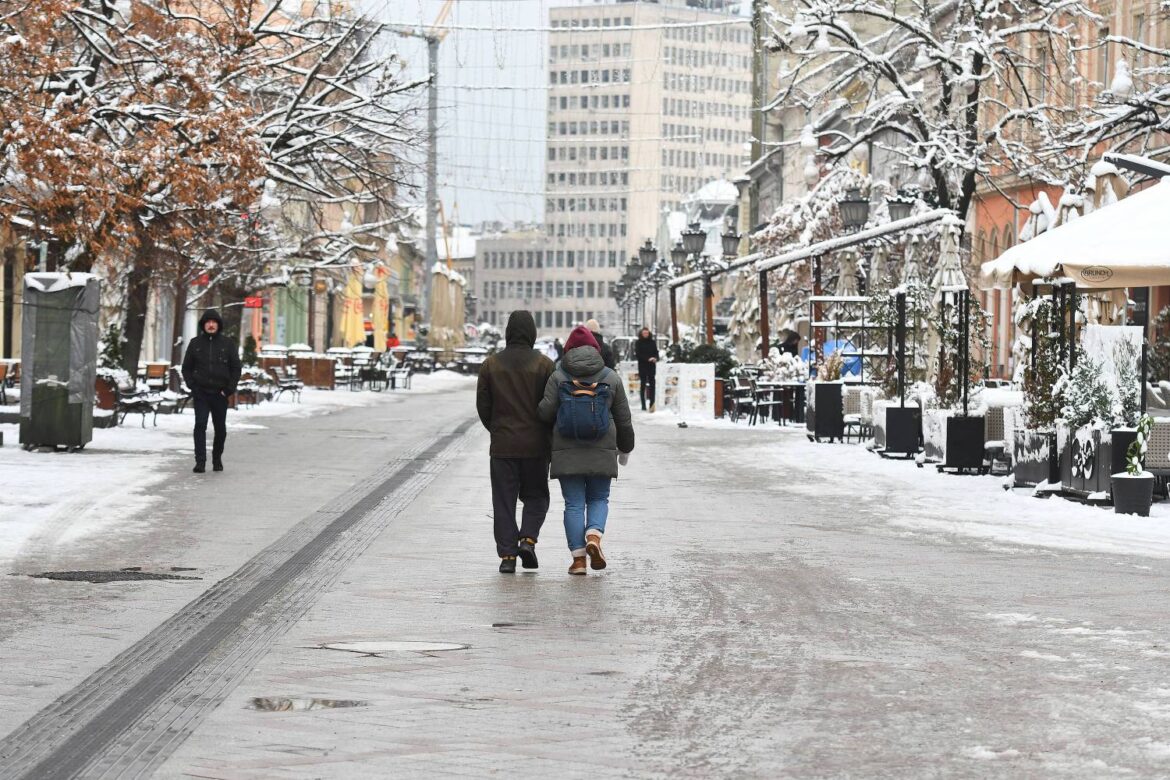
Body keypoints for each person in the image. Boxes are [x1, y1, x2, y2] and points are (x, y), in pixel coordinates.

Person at [539, 325, 634, 575]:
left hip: (566, 451)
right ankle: (594, 536)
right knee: (599, 498)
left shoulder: (558, 376)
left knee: (573, 505)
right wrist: (626, 446)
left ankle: (578, 560)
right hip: (602, 450)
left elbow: (545, 414)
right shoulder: (610, 377)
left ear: (568, 350)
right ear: (597, 349)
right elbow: (624, 418)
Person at [476, 310, 556, 574]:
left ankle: (508, 556)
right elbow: (551, 405)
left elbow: (483, 407)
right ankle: (528, 540)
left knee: (503, 501)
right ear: (532, 333)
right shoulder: (544, 365)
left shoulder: (491, 364)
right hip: (536, 446)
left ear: (508, 332)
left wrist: (498, 429)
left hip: (503, 447)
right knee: (536, 497)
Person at [181, 309, 241, 474]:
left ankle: (217, 458)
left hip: (220, 393)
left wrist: (228, 390)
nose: (211, 324)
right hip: (201, 392)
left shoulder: (228, 344)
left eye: (214, 322)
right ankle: (200, 462)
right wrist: (193, 386)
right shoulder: (195, 344)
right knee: (200, 425)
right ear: (203, 325)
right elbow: (186, 368)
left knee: (220, 429)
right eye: (208, 322)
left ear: (219, 325)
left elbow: (236, 368)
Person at [634, 326, 660, 412]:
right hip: (643, 366)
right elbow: (638, 354)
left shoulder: (652, 342)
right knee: (643, 385)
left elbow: (656, 352)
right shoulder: (638, 342)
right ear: (641, 334)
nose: (646, 334)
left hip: (652, 366)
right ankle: (643, 405)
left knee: (652, 385)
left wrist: (655, 358)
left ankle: (652, 405)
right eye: (644, 333)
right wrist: (647, 359)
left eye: (647, 333)